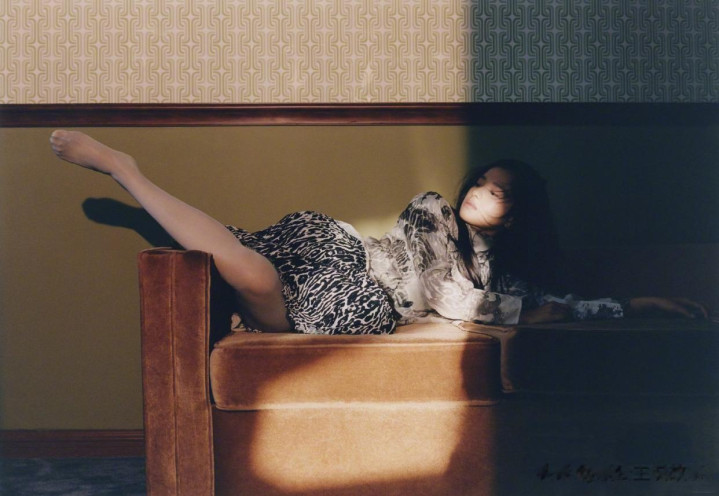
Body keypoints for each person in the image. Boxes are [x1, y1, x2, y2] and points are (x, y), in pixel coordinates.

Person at [49, 130, 708, 335]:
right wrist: (523, 313)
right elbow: (448, 297)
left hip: (345, 300)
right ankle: (125, 170)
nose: (480, 190)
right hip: (340, 257)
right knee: (255, 265)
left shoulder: (505, 277)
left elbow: (551, 305)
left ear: (517, 214)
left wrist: (634, 304)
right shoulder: (431, 209)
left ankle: (138, 185)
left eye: (499, 191)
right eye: (482, 180)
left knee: (247, 268)